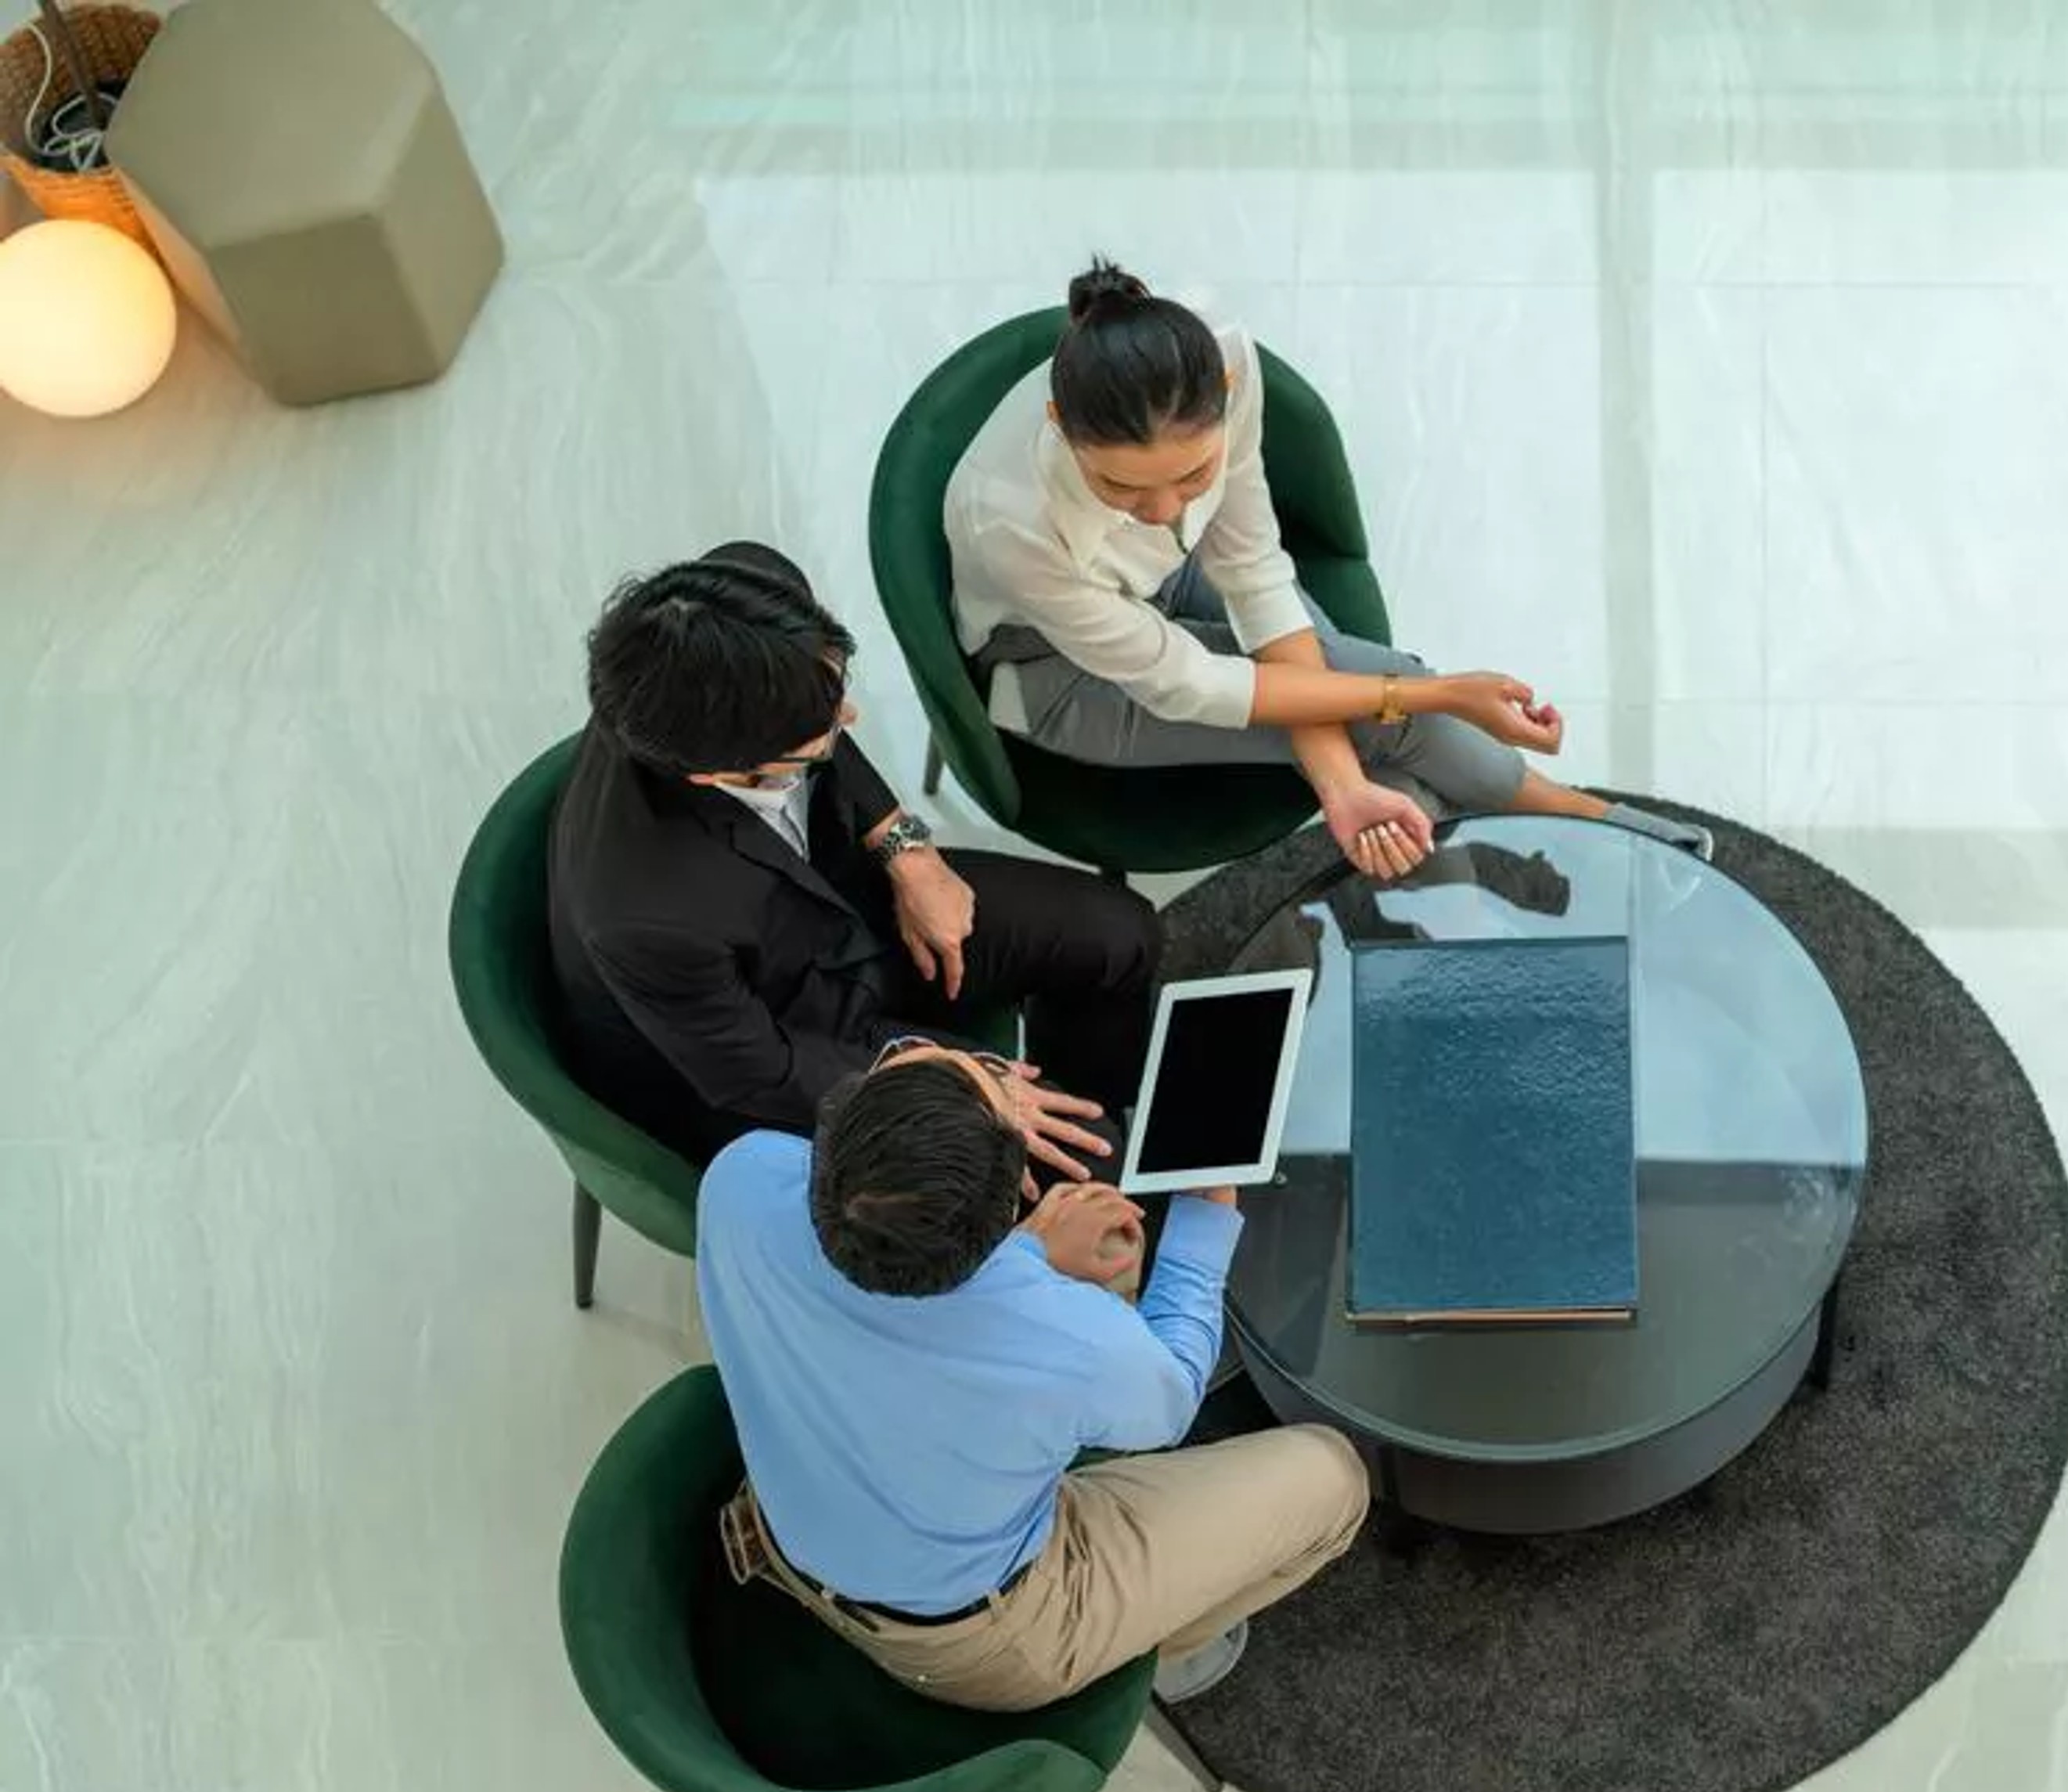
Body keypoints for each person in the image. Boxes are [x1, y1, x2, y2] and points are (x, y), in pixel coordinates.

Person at [943, 257, 1711, 883]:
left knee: (1373, 718)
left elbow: (1252, 572)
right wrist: (1439, 690)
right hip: (1060, 672)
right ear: (1058, 423)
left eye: (1193, 476)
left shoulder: (1225, 362)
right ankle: (1581, 827)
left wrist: (1344, 787)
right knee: (1390, 707)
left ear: (1228, 394)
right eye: (1121, 487)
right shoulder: (1009, 520)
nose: (1164, 511)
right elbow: (1195, 684)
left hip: (1163, 590)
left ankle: (1462, 880)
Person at [701, 1037, 1371, 1706]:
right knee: (1335, 1475)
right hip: (967, 1640)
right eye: (1000, 1088)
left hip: (798, 1529)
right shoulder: (1067, 1340)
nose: (996, 1072)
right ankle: (1158, 1653)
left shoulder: (741, 1177)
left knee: (1106, 1258)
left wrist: (1025, 1255)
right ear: (1005, 1202)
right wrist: (1208, 1209)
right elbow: (1171, 1398)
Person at [548, 540, 1158, 1168]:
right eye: (824, 731)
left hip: (846, 908)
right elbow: (759, 1073)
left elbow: (812, 723)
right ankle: (1086, 1173)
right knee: (1095, 1166)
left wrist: (907, 850)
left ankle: (1089, 1105)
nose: (849, 716)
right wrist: (961, 1084)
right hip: (796, 1038)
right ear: (716, 772)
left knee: (1121, 936)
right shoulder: (642, 916)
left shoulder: (739, 609)